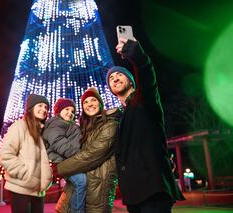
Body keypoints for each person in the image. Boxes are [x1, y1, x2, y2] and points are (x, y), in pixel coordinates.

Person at [106, 38, 185, 213]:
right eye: (111, 78)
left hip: (153, 191)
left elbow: (147, 74)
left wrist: (137, 55)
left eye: (120, 74)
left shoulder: (144, 101)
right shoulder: (121, 117)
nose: (115, 77)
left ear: (132, 82)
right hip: (133, 195)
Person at [53, 87, 120, 213]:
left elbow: (91, 155)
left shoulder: (110, 125)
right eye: (85, 102)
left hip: (97, 192)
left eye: (93, 100)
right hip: (75, 192)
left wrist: (60, 168)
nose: (89, 104)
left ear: (100, 103)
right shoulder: (84, 127)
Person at [0, 94, 53, 213]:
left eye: (46, 107)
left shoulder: (43, 132)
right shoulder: (19, 127)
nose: (44, 109)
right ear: (30, 108)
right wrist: (26, 175)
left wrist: (48, 177)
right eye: (40, 105)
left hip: (39, 191)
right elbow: (6, 155)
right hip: (20, 189)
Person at [42, 98, 86, 213]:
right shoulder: (56, 124)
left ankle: (66, 208)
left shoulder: (70, 124)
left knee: (76, 184)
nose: (70, 113)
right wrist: (79, 155)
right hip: (62, 161)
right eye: (66, 109)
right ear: (58, 111)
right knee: (81, 181)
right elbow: (58, 142)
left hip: (70, 160)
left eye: (72, 111)